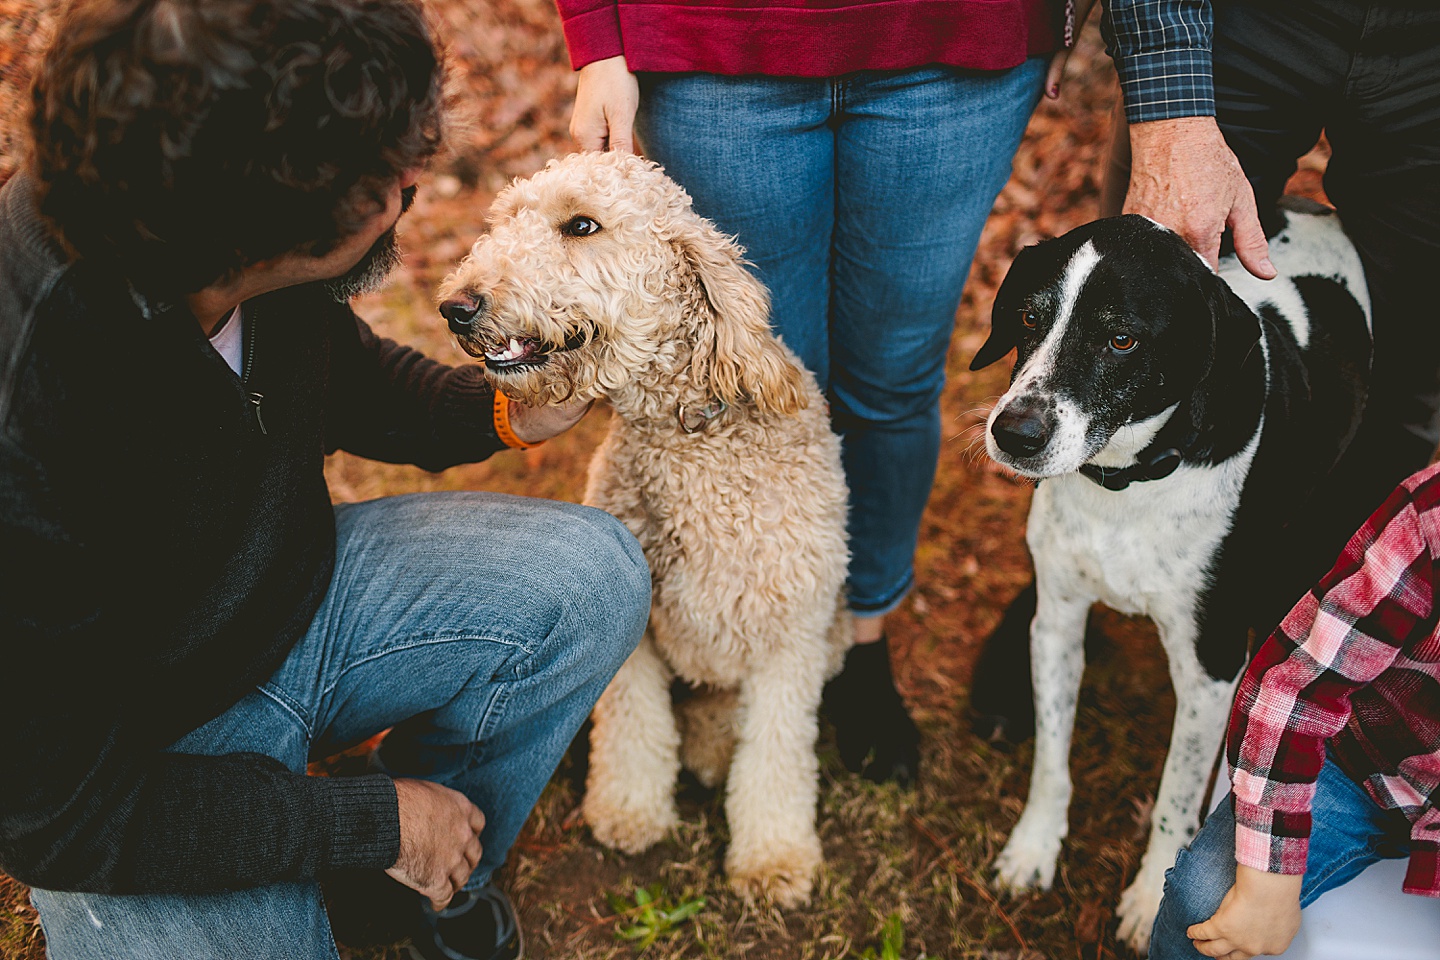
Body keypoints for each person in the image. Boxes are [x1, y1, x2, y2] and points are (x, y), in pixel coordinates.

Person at [0, 2, 652, 959]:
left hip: (295, 604)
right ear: (259, 230)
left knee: (592, 575)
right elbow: (59, 814)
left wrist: (499, 409)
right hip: (137, 762)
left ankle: (401, 885)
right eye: (391, 177)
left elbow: (330, 373)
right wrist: (371, 817)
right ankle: (371, 852)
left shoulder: (204, 203)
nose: (414, 182)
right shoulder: (29, 403)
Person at [555, 0, 1078, 784]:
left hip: (954, 43)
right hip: (710, 43)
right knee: (747, 378)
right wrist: (597, 35)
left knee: (894, 384)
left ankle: (859, 638)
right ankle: (724, 635)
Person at [970, 0, 1440, 745]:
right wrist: (1170, 94)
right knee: (1126, 291)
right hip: (1246, 20)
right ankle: (1064, 583)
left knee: (1404, 391)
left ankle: (1303, 631)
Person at [1148, 460, 1440, 959]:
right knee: (1205, 903)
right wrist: (1267, 885)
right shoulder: (1430, 518)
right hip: (1371, 766)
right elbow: (1296, 687)